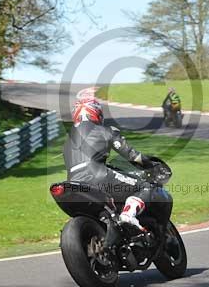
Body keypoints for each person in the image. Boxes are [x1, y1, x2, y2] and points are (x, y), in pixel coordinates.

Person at [63, 97, 155, 229]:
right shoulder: (106, 131)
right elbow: (132, 155)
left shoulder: (67, 140)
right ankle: (128, 215)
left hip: (72, 184)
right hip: (98, 177)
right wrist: (150, 165)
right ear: (97, 113)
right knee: (145, 186)